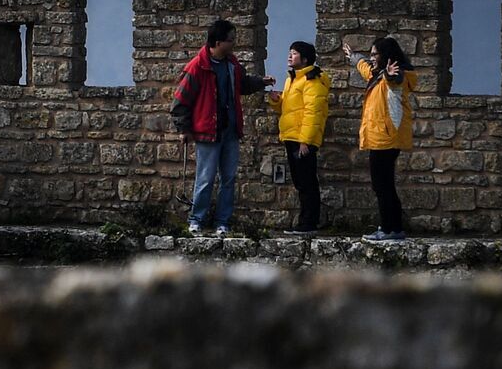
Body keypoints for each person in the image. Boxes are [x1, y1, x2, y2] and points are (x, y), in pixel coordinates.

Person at [171, 18, 275, 236]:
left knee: (228, 178)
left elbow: (242, 85)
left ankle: (222, 222)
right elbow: (181, 100)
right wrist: (183, 129)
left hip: (230, 131)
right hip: (208, 132)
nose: (234, 43)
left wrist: (260, 82)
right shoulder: (198, 67)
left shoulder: (232, 65)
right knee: (205, 178)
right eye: (231, 40)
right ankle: (197, 219)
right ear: (218, 42)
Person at [344, 35, 417, 241]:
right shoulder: (376, 75)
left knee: (382, 185)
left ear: (386, 56)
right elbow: (365, 67)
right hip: (383, 138)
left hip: (385, 139)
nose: (372, 57)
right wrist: (354, 57)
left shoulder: (393, 76)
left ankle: (387, 229)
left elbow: (395, 80)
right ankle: (394, 228)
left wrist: (391, 74)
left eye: (376, 54)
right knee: (385, 185)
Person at [270, 40, 330, 233]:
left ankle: (308, 224)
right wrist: (276, 102)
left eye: (294, 53)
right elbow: (290, 108)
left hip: (301, 140)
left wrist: (306, 141)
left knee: (307, 182)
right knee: (300, 181)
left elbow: (313, 112)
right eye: (290, 52)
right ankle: (305, 223)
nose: (289, 56)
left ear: (305, 59)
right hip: (292, 137)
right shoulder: (292, 79)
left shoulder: (312, 80)